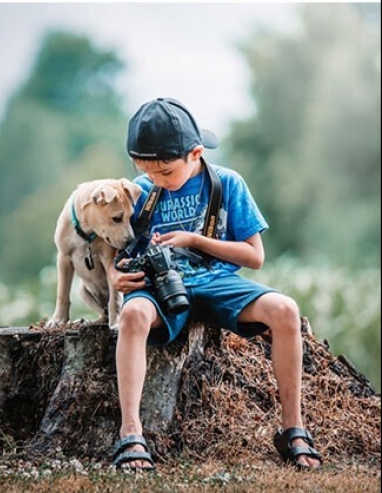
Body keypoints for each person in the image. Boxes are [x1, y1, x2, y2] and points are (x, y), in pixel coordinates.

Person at [108, 97, 322, 473]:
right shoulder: (140, 190)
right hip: (160, 287)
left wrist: (195, 241)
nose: (155, 180)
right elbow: (113, 245)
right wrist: (114, 276)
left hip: (217, 281)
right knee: (132, 315)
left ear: (195, 153)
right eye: (146, 171)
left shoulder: (226, 183)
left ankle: (294, 428)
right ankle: (131, 433)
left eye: (165, 173)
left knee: (285, 310)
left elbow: (255, 256)